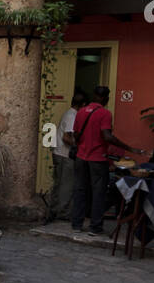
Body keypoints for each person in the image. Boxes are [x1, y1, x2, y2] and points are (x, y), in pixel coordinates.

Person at [69, 85, 146, 235]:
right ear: (106, 98)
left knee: (80, 190)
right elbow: (107, 137)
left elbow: (76, 135)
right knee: (99, 193)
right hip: (97, 158)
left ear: (94, 95)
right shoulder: (105, 114)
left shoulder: (81, 112)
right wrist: (130, 148)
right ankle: (95, 227)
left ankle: (76, 224)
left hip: (81, 157)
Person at [46, 89, 87, 223]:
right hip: (64, 154)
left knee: (59, 183)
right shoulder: (72, 116)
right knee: (66, 185)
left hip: (59, 152)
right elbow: (66, 137)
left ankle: (54, 210)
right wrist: (79, 146)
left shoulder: (69, 113)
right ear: (83, 105)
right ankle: (62, 212)